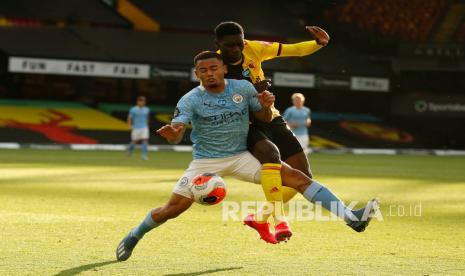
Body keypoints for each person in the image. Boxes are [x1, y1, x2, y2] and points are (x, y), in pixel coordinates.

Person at [116, 51, 378, 261]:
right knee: (171, 210)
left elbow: (263, 118)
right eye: (203, 70)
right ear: (197, 74)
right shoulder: (190, 100)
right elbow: (177, 132)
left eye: (213, 68)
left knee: (298, 178)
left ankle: (350, 218)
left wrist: (264, 107)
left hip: (242, 155)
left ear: (222, 70)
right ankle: (134, 235)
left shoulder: (241, 87)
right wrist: (173, 133)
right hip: (205, 162)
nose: (209, 73)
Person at [214, 21, 328, 239]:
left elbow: (292, 50)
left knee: (304, 177)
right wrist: (251, 92)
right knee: (274, 164)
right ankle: (279, 221)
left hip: (271, 117)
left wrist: (318, 43)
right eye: (230, 46)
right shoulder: (215, 66)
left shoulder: (253, 48)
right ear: (218, 44)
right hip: (248, 125)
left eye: (239, 44)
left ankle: (258, 218)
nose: (237, 49)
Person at [127, 96, 150, 160]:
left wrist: (147, 125)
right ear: (138, 102)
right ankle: (129, 151)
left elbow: (147, 118)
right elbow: (130, 118)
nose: (142, 102)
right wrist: (129, 125)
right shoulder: (133, 109)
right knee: (134, 141)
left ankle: (144, 155)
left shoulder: (147, 109)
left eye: (143, 101)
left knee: (145, 140)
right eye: (140, 101)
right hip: (136, 127)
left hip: (144, 127)